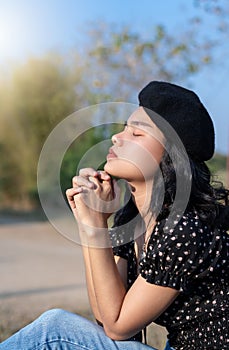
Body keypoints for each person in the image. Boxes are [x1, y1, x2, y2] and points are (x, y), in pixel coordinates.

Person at [0, 81, 228, 350]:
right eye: (123, 129)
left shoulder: (186, 228)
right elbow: (105, 316)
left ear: (170, 156)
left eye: (137, 134)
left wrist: (96, 224)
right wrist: (90, 221)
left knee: (54, 330)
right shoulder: (133, 220)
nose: (117, 138)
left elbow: (118, 327)